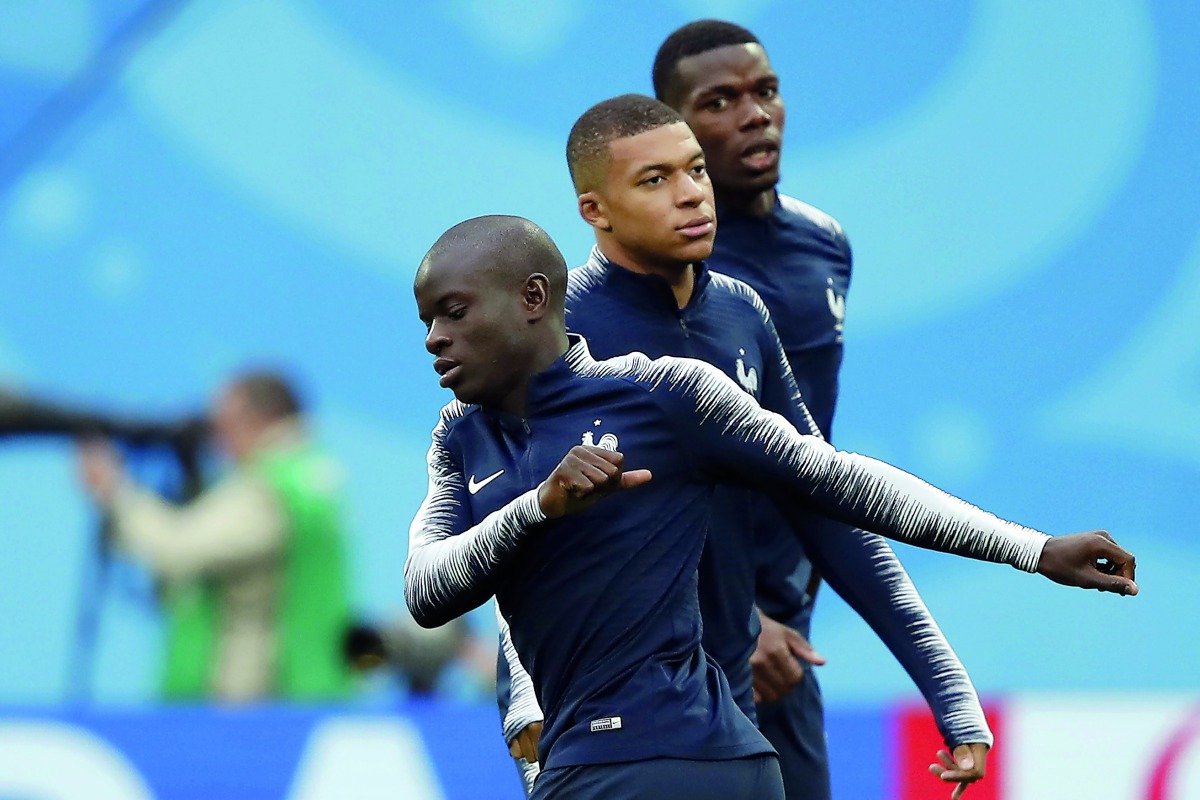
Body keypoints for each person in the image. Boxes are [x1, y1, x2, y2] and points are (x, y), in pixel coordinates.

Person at [406, 214, 1136, 800]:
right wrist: (539, 508)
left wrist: (1033, 549)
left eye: (454, 312)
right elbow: (426, 590)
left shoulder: (666, 393)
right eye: (428, 321)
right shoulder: (457, 438)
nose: (436, 338)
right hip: (615, 762)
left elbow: (839, 482)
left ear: (533, 299)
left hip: (669, 762)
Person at [497, 94, 994, 800]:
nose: (690, 193)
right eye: (655, 180)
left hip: (729, 714)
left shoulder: (741, 313)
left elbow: (823, 500)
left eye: (695, 170)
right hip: (597, 725)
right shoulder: (551, 331)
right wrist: (523, 693)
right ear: (594, 211)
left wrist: (948, 691)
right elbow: (510, 523)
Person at [653, 19, 948, 798]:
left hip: (788, 627)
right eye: (720, 101)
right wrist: (732, 617)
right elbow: (652, 461)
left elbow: (812, 447)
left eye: (766, 92)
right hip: (690, 635)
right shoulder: (664, 271)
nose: (755, 115)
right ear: (674, 130)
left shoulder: (826, 243)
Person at [78, 370, 354, 703]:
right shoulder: (310, 478)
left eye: (222, 421)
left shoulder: (267, 487)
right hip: (301, 687)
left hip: (251, 699)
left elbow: (177, 549)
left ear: (255, 418)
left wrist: (115, 492)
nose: (214, 436)